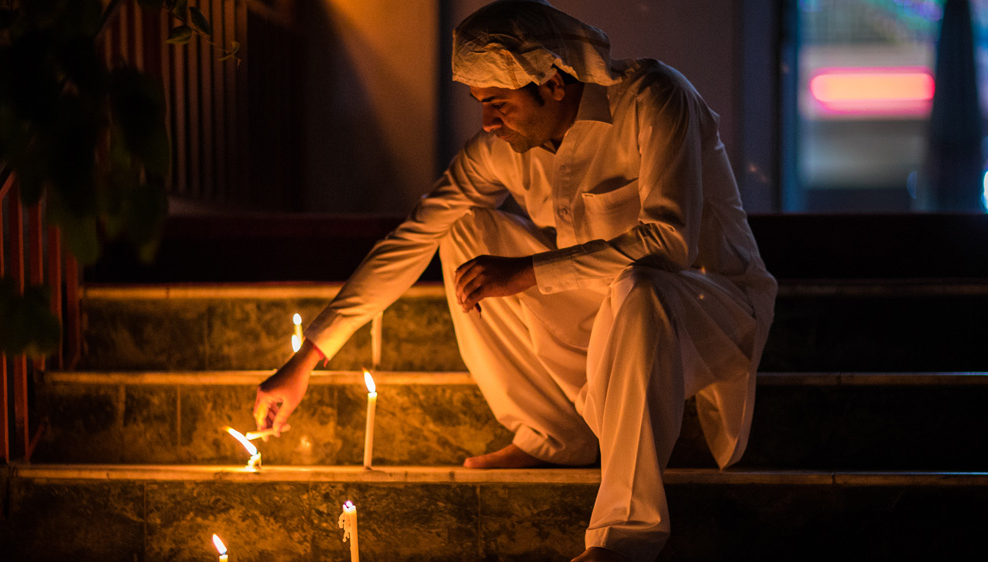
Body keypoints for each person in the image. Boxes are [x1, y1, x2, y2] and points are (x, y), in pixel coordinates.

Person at [253, 1, 776, 560]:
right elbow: (409, 241)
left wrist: (527, 273)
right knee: (464, 232)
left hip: (702, 310)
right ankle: (554, 435)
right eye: (481, 105)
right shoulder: (498, 152)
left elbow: (669, 244)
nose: (487, 122)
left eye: (498, 104)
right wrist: (305, 360)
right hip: (599, 318)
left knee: (640, 289)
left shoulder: (654, 97)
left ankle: (625, 539)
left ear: (552, 83)